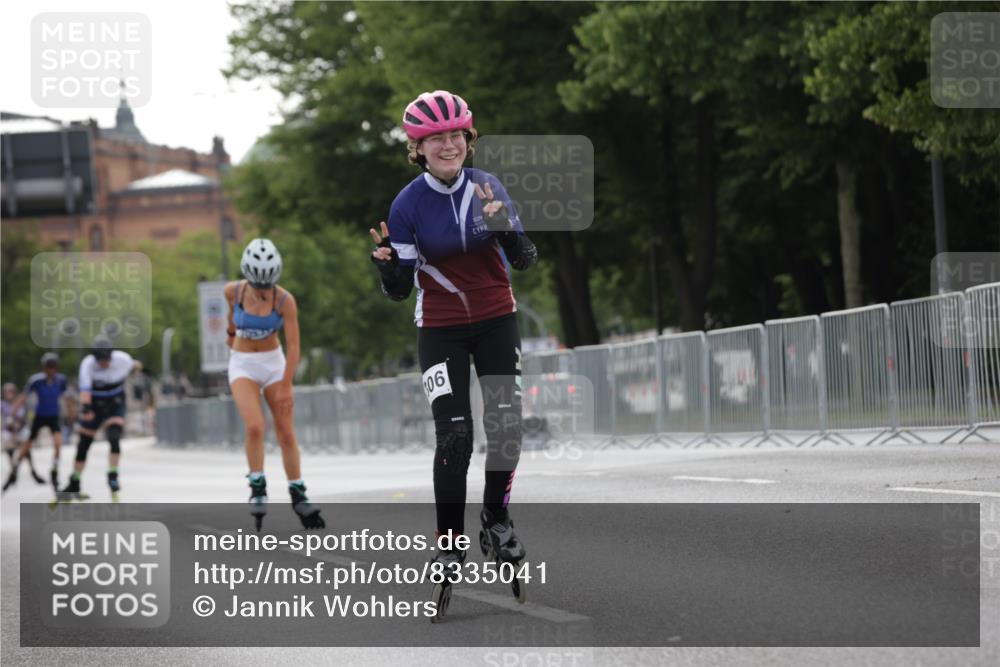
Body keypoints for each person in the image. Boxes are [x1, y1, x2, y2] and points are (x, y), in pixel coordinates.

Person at [369, 90, 538, 610]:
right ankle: (449, 544)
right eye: (436, 138)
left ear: (469, 138)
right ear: (417, 148)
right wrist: (388, 268)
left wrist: (505, 229)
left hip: (496, 320)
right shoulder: (407, 205)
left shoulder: (488, 188)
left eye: (456, 135)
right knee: (455, 438)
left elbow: (525, 259)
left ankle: (496, 518)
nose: (449, 145)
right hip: (440, 327)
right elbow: (400, 292)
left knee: (506, 426)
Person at [225, 237, 324, 530]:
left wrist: (285, 384)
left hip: (273, 364)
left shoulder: (284, 301)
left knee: (286, 432)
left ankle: (298, 492)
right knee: (255, 427)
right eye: (258, 285)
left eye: (268, 285)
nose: (263, 290)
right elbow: (231, 321)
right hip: (243, 363)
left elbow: (293, 347)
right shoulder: (233, 291)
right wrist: (230, 336)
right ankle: (257, 485)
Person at [57, 336, 141, 502]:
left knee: (114, 438)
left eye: (106, 360)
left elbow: (136, 365)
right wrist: (87, 408)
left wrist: (135, 371)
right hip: (95, 403)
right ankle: (74, 482)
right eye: (100, 361)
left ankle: (112, 476)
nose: (104, 364)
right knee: (84, 444)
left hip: (115, 402)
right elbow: (85, 391)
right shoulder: (88, 364)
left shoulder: (122, 359)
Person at [3, 352, 68, 492]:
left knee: (58, 444)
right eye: (48, 367)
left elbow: (66, 397)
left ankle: (54, 470)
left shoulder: (61, 380)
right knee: (26, 445)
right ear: (44, 367)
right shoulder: (36, 380)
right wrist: (12, 414)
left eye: (53, 367)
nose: (50, 370)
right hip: (40, 416)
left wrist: (71, 412)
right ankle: (14, 470)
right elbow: (23, 397)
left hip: (54, 416)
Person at [2, 382, 43, 490]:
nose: (9, 394)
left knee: (26, 448)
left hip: (20, 429)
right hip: (9, 430)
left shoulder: (21, 403)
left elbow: (27, 416)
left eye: (11, 392)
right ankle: (13, 471)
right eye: (7, 392)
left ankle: (32, 470)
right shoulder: (2, 404)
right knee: (9, 446)